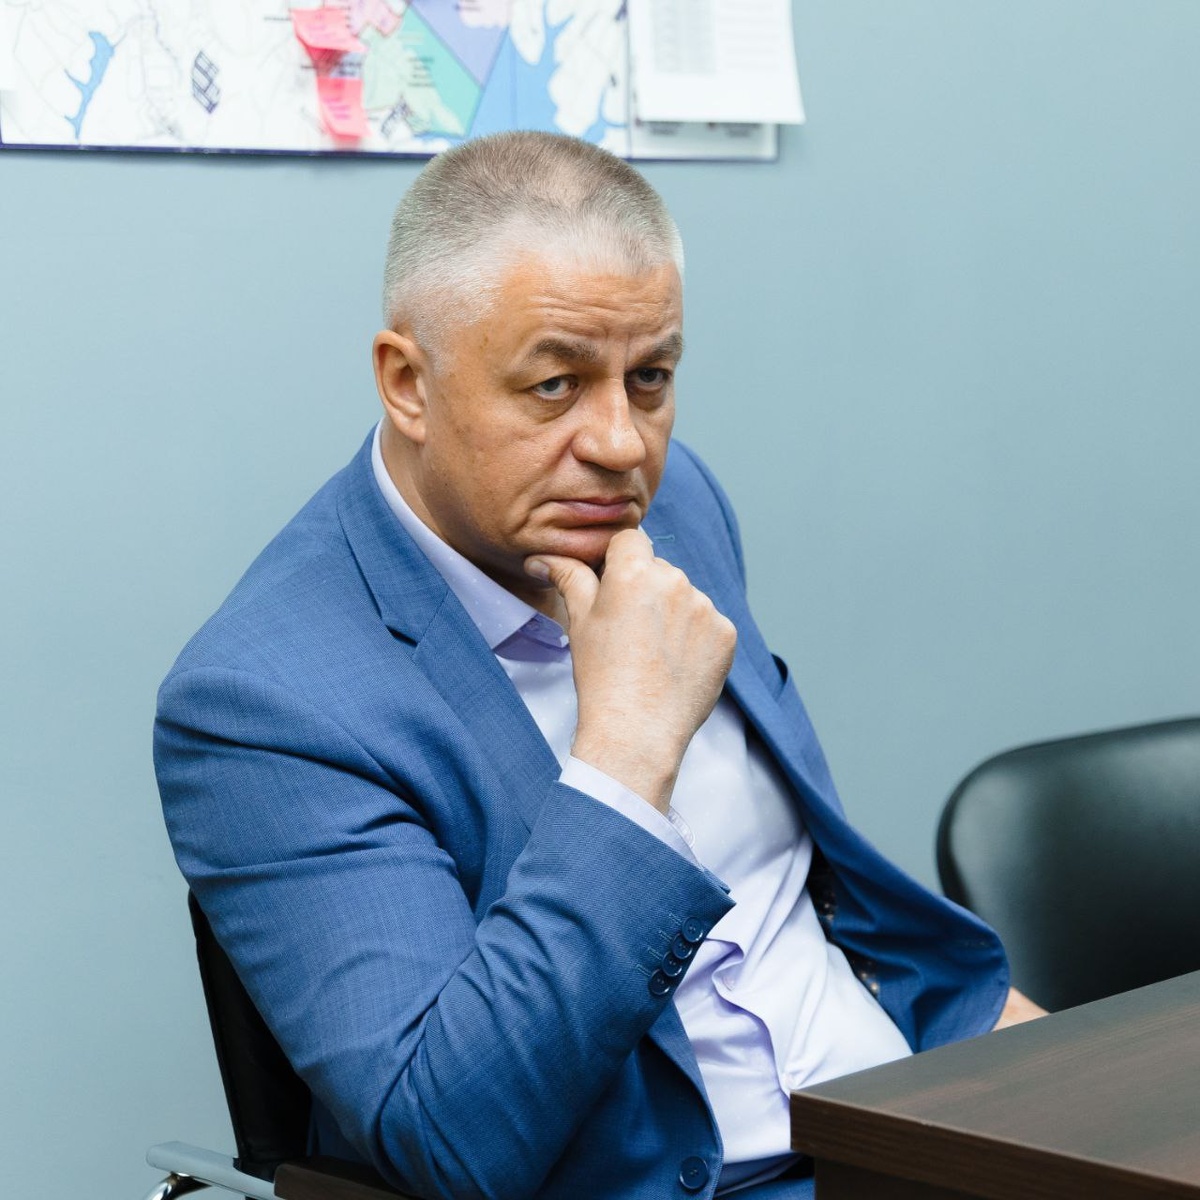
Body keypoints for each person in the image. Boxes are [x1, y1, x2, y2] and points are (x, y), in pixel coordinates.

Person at [155, 132, 1038, 1200]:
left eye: (650, 377)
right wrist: (626, 758)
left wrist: (1017, 1055)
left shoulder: (674, 501)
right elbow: (450, 1137)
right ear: (408, 383)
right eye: (555, 384)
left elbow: (807, 893)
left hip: (911, 1116)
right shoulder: (264, 703)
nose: (622, 444)